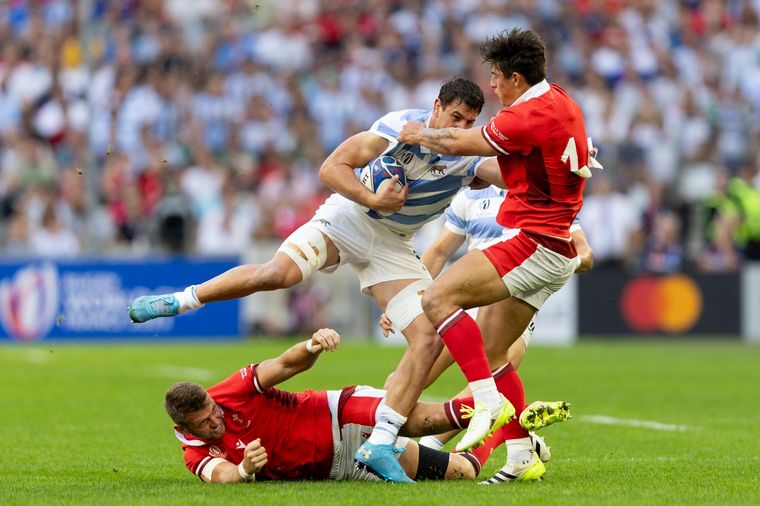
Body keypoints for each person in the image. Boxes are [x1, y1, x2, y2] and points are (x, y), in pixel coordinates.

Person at [129, 77, 510, 483]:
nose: (462, 128)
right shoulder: (397, 128)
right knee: (278, 273)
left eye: (471, 122)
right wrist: (373, 199)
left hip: (393, 245)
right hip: (347, 218)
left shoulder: (466, 152)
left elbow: (507, 176)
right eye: (455, 117)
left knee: (428, 336)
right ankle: (183, 300)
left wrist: (547, 163)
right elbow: (331, 168)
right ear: (436, 107)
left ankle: (381, 440)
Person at [397, 28, 602, 453]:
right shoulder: (560, 99)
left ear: (515, 78)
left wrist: (419, 134)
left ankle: (485, 402)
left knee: (436, 299)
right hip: (556, 246)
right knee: (493, 357)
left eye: (495, 75)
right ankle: (523, 452)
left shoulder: (525, 115)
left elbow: (459, 143)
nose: (491, 84)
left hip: (535, 241)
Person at [381, 185, 592, 482]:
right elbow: (440, 251)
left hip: (512, 303)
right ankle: (521, 439)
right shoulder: (470, 197)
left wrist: (572, 260)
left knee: (488, 382)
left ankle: (435, 445)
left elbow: (583, 250)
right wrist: (404, 299)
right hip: (466, 301)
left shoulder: (542, 194)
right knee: (406, 379)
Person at [165, 328, 548, 484]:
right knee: (463, 471)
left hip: (337, 416)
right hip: (345, 467)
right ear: (186, 426)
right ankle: (503, 431)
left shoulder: (229, 391)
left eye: (215, 410)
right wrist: (245, 469)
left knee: (407, 416)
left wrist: (311, 347)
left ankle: (508, 345)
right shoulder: (195, 451)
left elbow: (283, 365)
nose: (218, 419)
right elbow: (222, 477)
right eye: (207, 421)